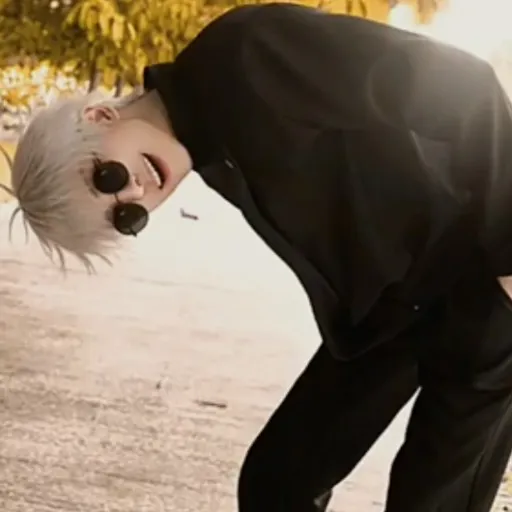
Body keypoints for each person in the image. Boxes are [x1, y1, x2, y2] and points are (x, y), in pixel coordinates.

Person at [4, 3, 512, 511]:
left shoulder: (245, 54)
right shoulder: (207, 137)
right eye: (125, 217)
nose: (135, 192)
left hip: (485, 270)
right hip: (399, 302)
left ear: (99, 116)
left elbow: (465, 86)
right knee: (276, 485)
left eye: (107, 177)